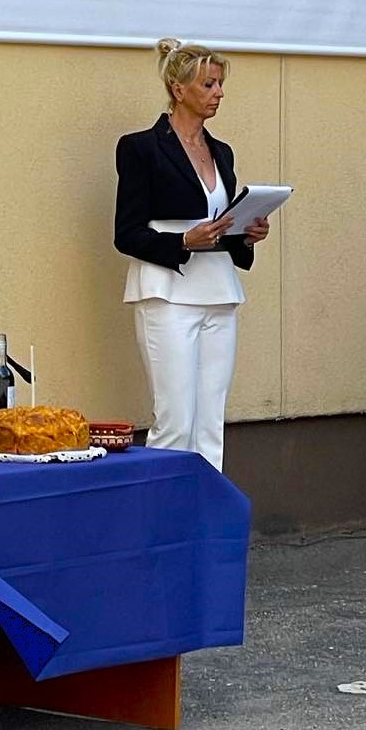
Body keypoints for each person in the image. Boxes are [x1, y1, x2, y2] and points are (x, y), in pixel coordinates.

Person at [113, 38, 270, 471]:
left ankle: (205, 511)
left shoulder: (222, 152)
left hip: (218, 291)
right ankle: (163, 510)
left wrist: (246, 235)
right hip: (168, 293)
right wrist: (183, 241)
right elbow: (126, 233)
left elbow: (221, 228)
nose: (219, 93)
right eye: (209, 84)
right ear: (178, 89)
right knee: (176, 422)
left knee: (210, 423)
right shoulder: (141, 148)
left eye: (219, 84)